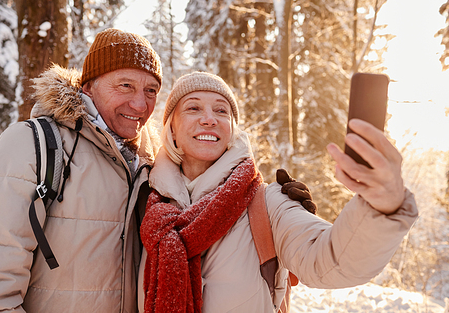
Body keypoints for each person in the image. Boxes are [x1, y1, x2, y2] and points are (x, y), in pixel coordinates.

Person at [137, 71, 418, 313]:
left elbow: (331, 261)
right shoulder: (146, 206)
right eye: (193, 108)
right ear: (171, 129)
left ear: (233, 130)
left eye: (221, 110)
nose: (209, 119)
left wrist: (381, 206)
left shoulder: (266, 203)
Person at [0, 29, 163, 312]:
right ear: (89, 86)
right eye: (125, 85)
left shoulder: (151, 163)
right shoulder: (31, 145)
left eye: (151, 90)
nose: (140, 104)